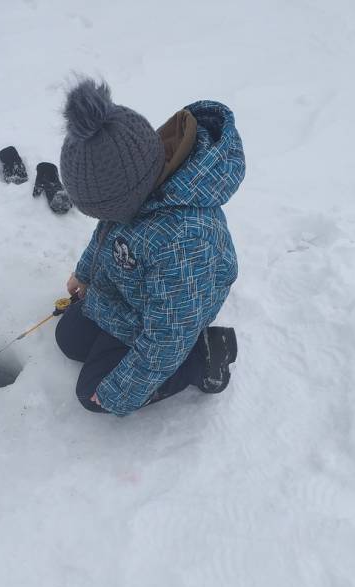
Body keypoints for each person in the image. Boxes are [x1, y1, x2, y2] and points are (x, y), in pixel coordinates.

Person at [54, 78, 245, 416]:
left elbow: (167, 337)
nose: (100, 218)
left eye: (101, 211)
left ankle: (203, 358)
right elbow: (108, 233)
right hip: (132, 291)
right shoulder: (136, 184)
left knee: (94, 393)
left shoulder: (184, 242)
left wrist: (121, 391)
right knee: (69, 337)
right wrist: (86, 273)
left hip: (169, 315)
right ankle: (117, 349)